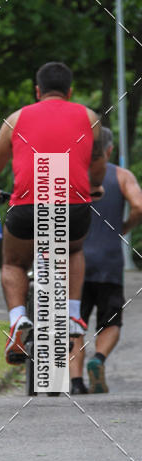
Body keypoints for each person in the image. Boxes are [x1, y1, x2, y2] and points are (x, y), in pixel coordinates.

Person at [0, 62, 106, 364]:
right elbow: (97, 164)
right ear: (70, 91)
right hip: (73, 208)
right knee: (74, 251)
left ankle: (19, 319)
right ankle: (73, 315)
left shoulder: (16, 119)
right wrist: (95, 187)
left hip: (26, 209)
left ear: (38, 91)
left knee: (13, 262)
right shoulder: (89, 117)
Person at [70, 127, 142, 393]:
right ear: (108, 150)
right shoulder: (122, 176)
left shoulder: (70, 174)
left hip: (74, 261)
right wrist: (125, 226)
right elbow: (139, 205)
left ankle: (76, 383)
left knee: (74, 321)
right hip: (109, 263)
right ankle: (98, 359)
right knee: (111, 321)